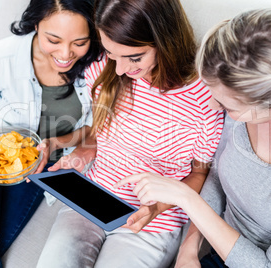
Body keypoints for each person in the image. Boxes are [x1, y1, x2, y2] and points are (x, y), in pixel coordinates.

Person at [116, 8, 271, 268]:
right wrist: (189, 248)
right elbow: (218, 176)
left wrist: (186, 197)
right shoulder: (248, 111)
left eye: (226, 105)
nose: (212, 107)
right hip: (219, 253)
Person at [36, 0, 224, 267]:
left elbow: (199, 173)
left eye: (134, 57)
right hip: (91, 195)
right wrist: (81, 153)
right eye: (112, 54)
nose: (121, 69)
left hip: (152, 219)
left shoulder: (205, 100)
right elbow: (102, 134)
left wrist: (156, 207)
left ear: (166, 40)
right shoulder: (102, 68)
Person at [0, 0, 102, 267]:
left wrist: (55, 143)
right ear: (36, 24)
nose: (66, 54)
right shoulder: (1, 55)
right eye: (53, 39)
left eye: (80, 42)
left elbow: (94, 126)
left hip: (42, 163)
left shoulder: (98, 66)